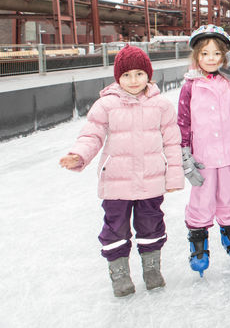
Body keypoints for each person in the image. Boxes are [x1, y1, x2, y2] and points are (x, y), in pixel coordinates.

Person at [59, 45, 182, 297]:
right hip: (116, 181)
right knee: (115, 227)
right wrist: (79, 154)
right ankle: (120, 274)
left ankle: (151, 269)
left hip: (151, 180)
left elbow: (172, 143)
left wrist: (174, 176)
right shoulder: (106, 105)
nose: (133, 80)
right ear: (117, 78)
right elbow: (91, 134)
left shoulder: (161, 105)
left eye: (139, 74)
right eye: (126, 75)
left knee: (151, 224)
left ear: (149, 75)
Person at [178, 25, 230, 276]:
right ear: (196, 57)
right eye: (204, 54)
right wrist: (184, 152)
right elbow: (183, 120)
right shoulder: (190, 85)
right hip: (203, 156)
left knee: (229, 195)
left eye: (216, 53)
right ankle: (198, 240)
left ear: (224, 56)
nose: (210, 59)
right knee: (201, 199)